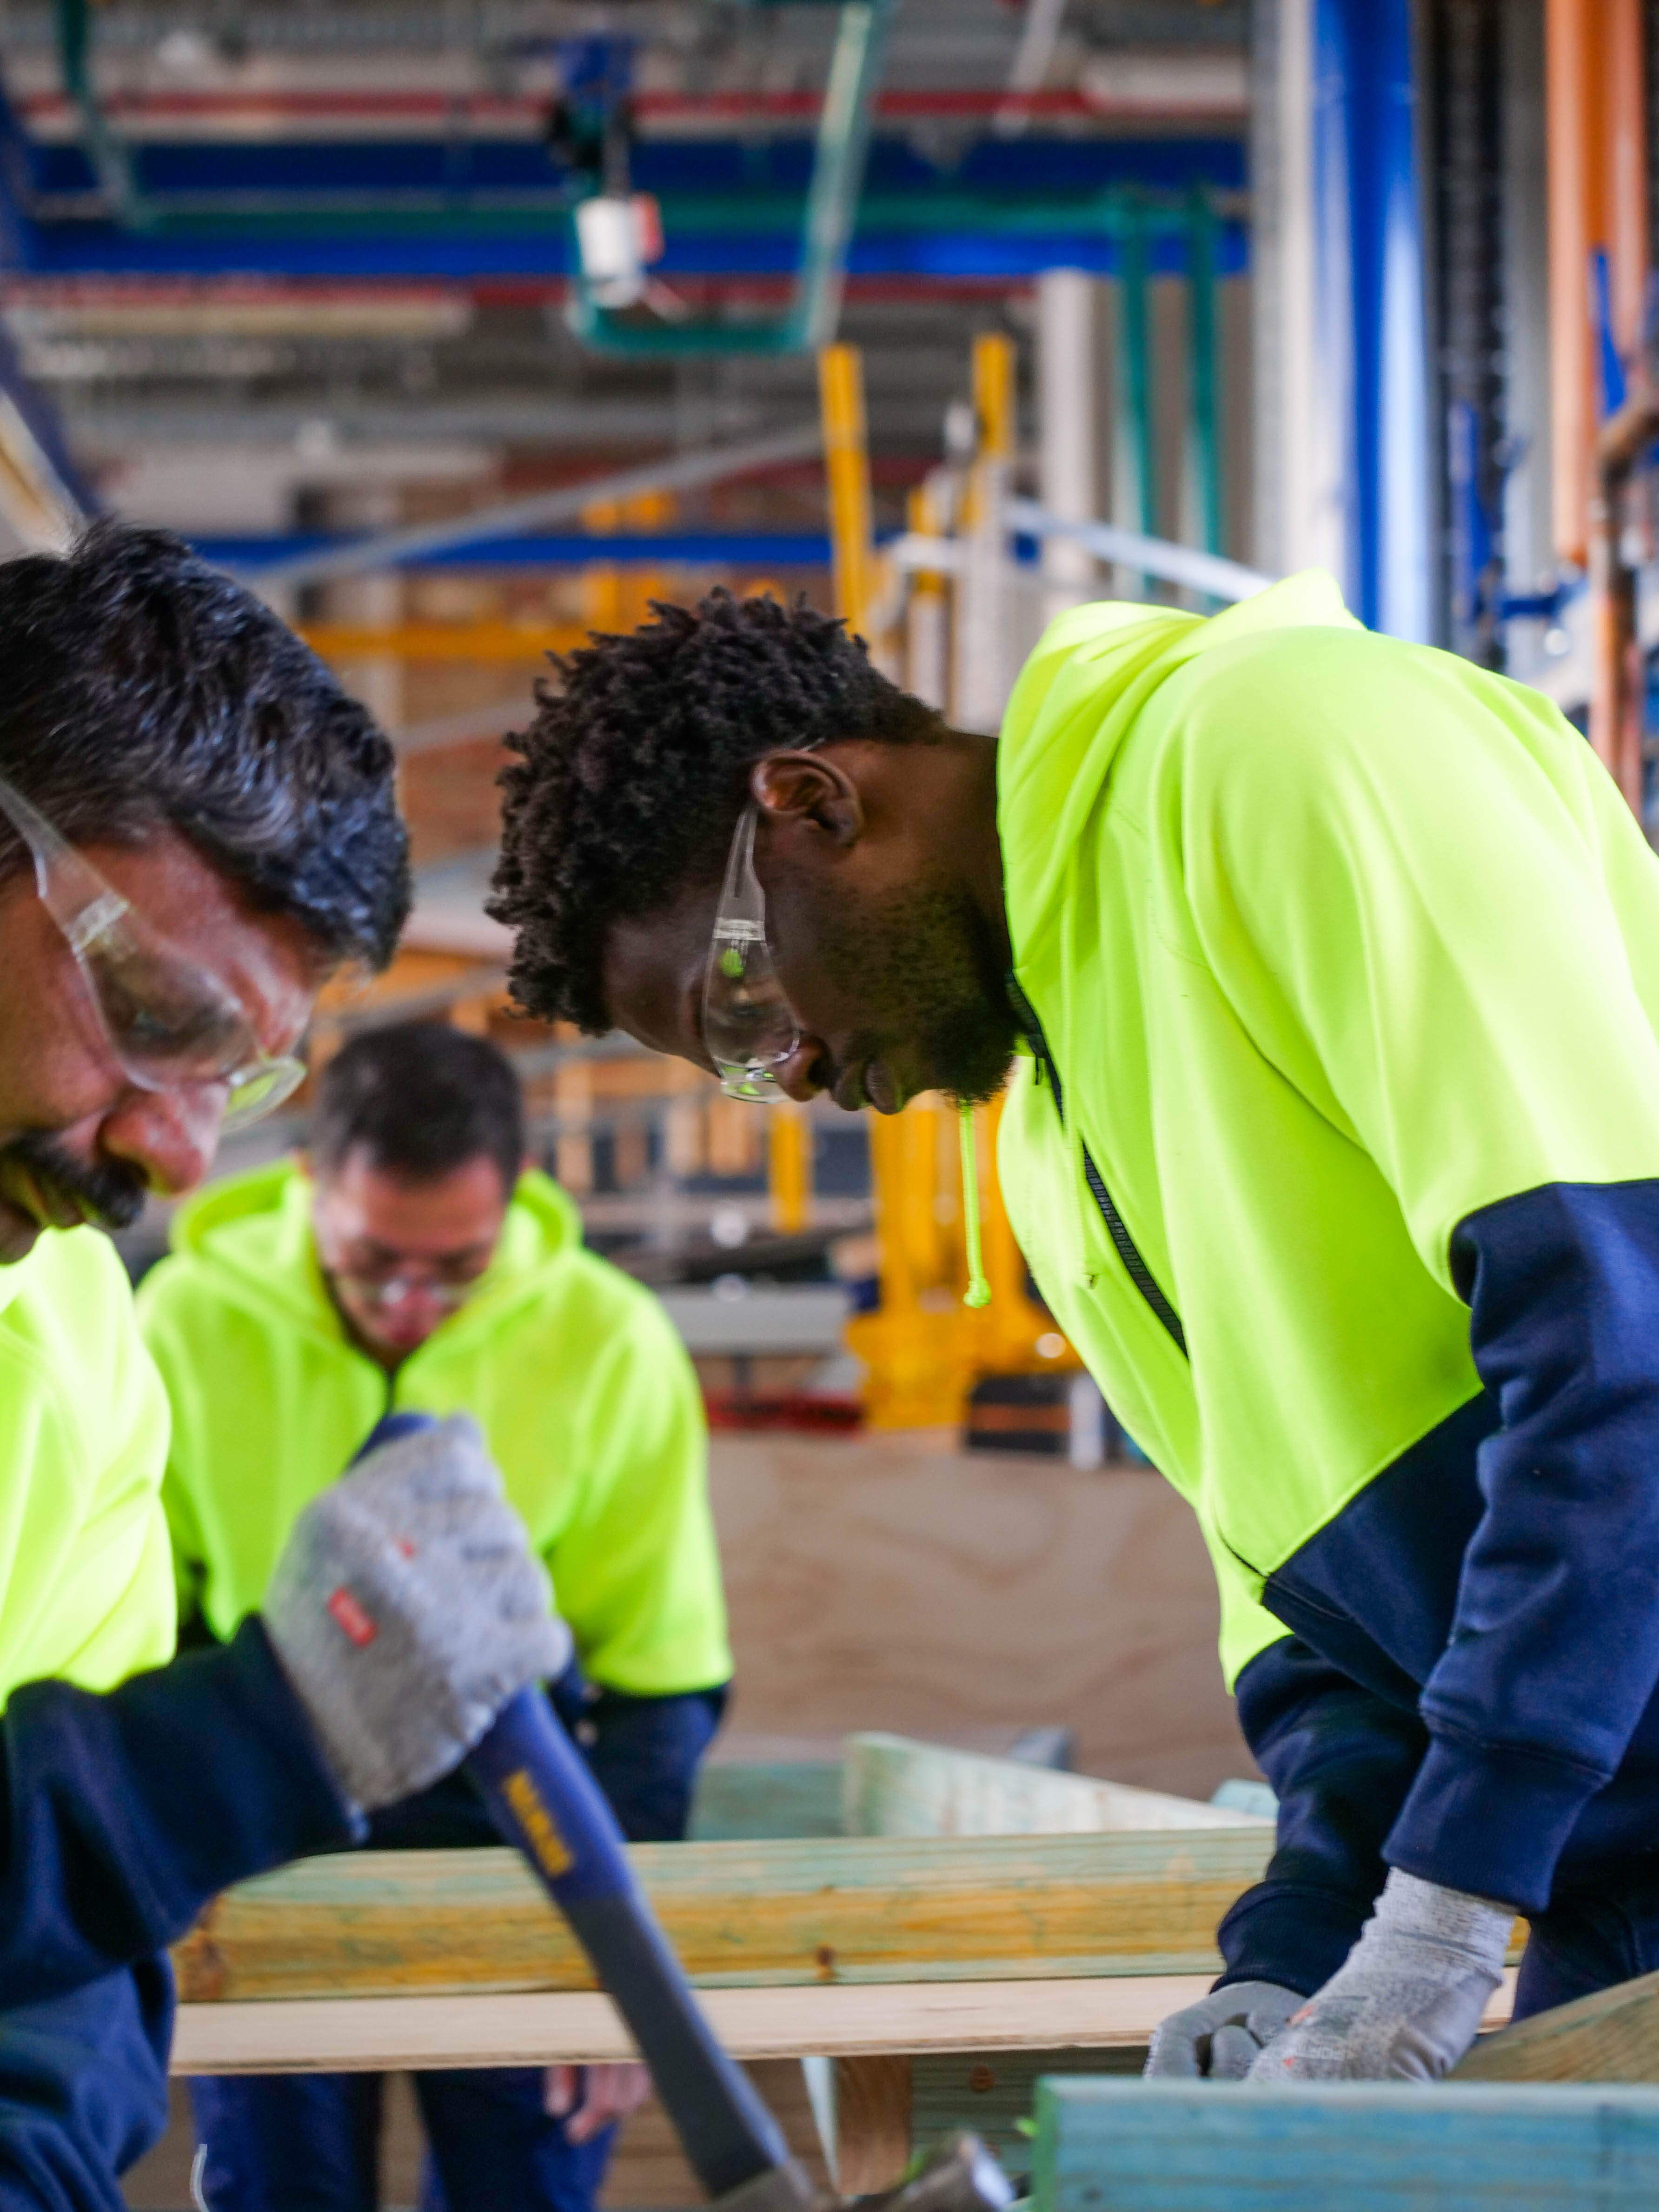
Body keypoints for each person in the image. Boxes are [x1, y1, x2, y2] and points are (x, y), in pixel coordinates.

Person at [486, 581, 1659, 2085]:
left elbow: (1620, 1337)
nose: (792, 1071)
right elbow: (1306, 1608)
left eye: (742, 1009)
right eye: (739, 1069)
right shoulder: (1047, 1143)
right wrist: (1299, 1940)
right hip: (1600, 1869)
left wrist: (1446, 1902)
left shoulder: (1280, 745)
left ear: (810, 802)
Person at [0, 522, 564, 2212]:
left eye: (232, 1080)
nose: (175, 1155)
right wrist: (238, 1746)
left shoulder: (75, 1339)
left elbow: (58, 1984)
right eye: (152, 1015)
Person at [138, 1018, 731, 2212]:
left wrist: (620, 1971)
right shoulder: (181, 1326)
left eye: (457, 1267)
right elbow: (154, 1636)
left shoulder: (611, 1345)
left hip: (525, 1848)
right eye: (372, 1260)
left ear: (512, 1198)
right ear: (308, 1186)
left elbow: (659, 1686)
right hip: (268, 1839)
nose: (410, 1302)